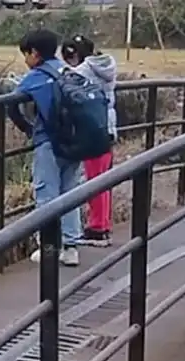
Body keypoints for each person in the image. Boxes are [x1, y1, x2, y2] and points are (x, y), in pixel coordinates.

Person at [7, 28, 83, 267]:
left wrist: (28, 129)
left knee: (46, 194)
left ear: (35, 53)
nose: (26, 60)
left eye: (26, 54)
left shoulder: (35, 77)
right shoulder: (68, 71)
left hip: (48, 141)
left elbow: (12, 105)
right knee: (70, 192)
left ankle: (49, 247)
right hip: (75, 140)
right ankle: (71, 247)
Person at [62, 35, 118, 247]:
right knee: (104, 179)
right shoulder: (105, 65)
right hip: (109, 125)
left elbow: (66, 84)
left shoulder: (82, 72)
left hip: (94, 129)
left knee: (94, 181)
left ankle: (97, 227)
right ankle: (103, 223)